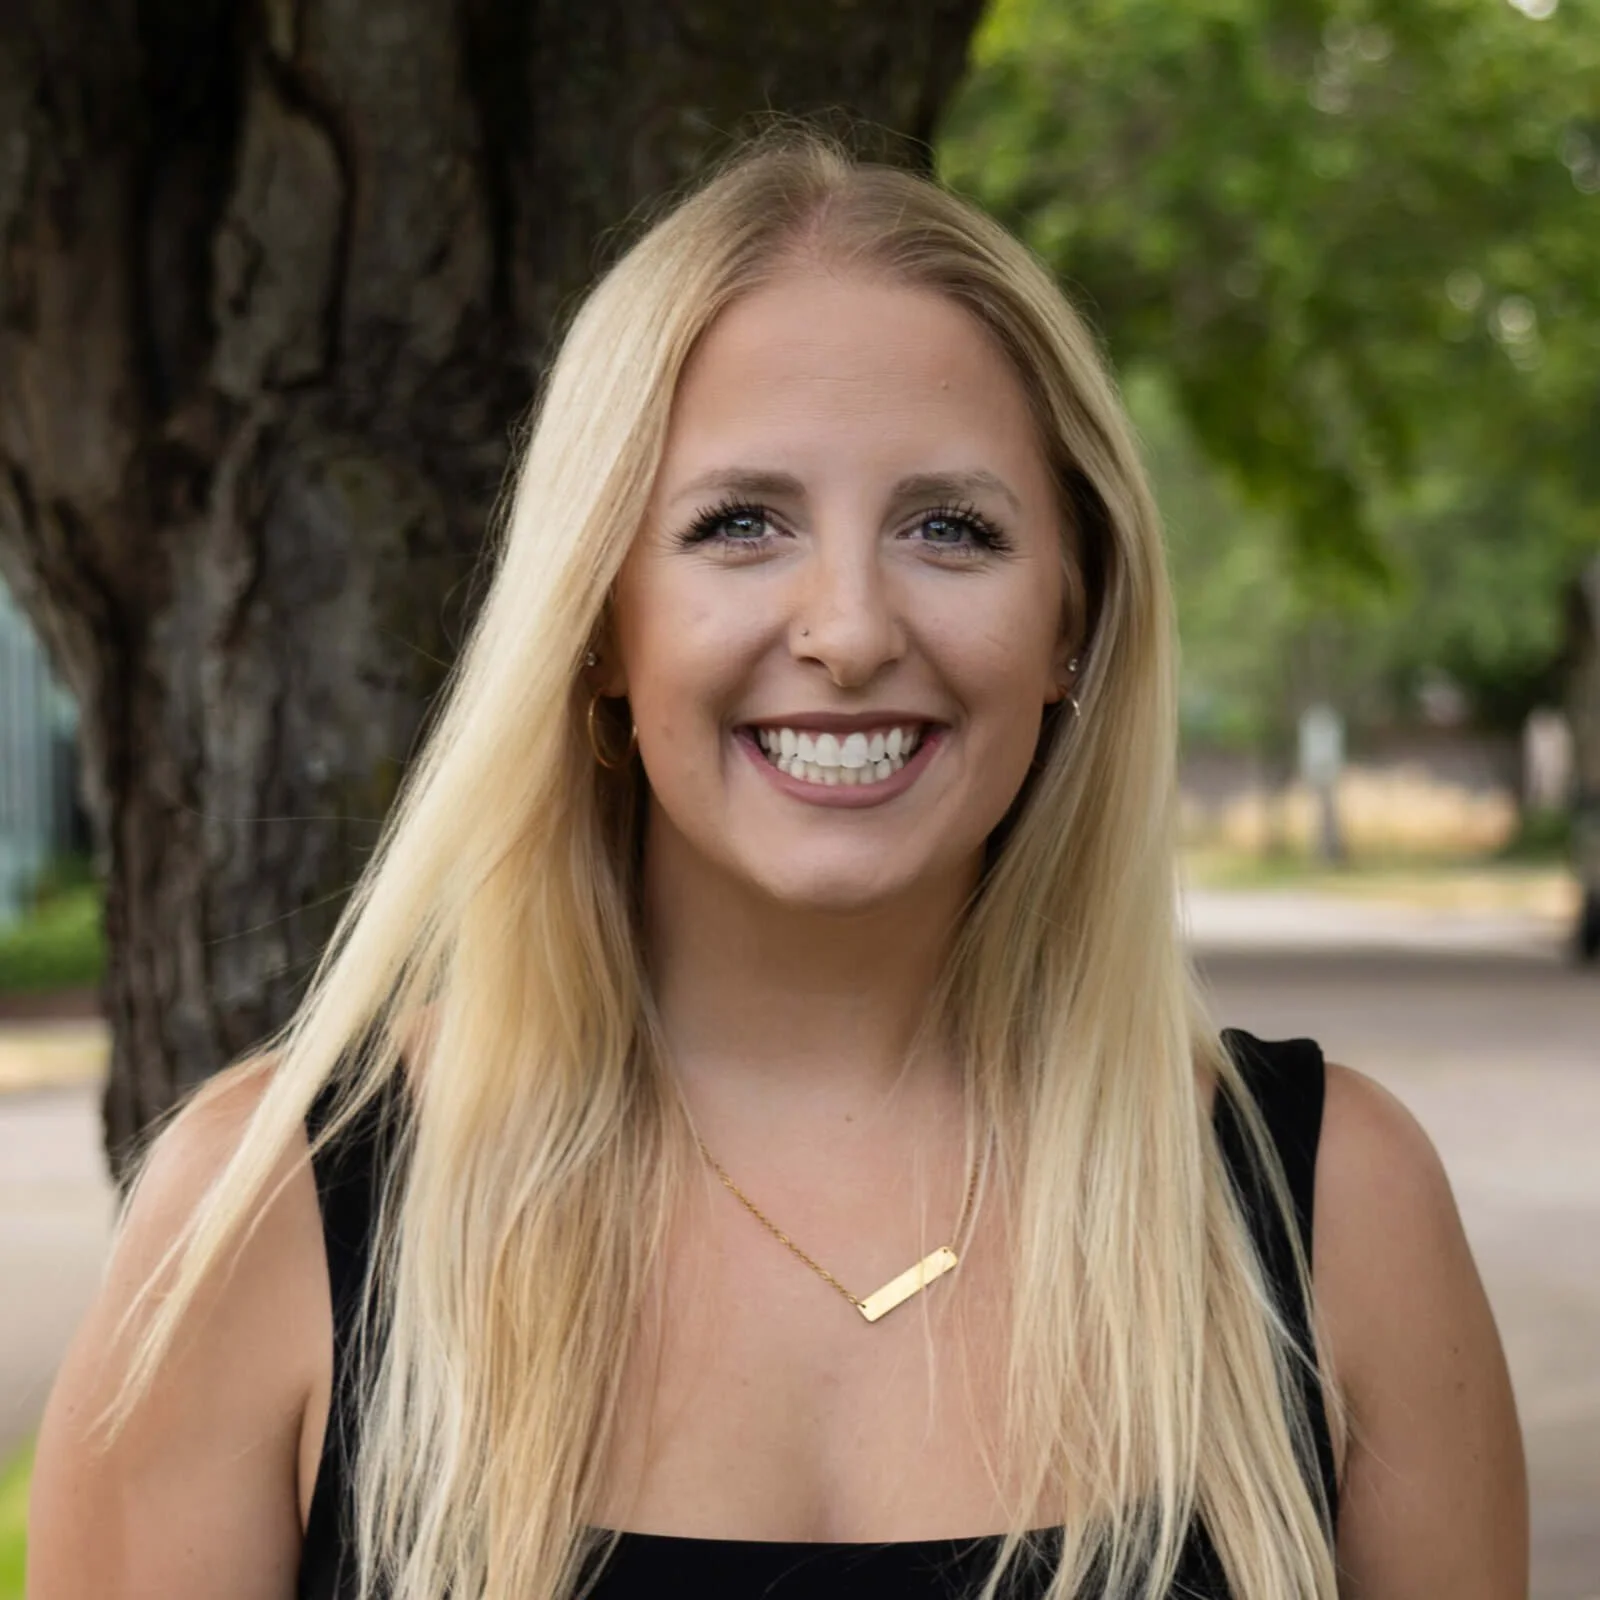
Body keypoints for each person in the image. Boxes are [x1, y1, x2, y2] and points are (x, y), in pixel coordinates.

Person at [28, 133, 1526, 1600]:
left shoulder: (1335, 1209)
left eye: (952, 528)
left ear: (1075, 621)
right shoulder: (266, 1218)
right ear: (601, 617)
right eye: (740, 524)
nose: (851, 627)